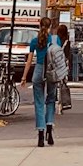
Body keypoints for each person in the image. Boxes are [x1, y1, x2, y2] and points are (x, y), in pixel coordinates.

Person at [22, 17, 58, 147]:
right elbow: (59, 58)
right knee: (51, 100)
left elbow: (29, 61)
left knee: (39, 102)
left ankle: (41, 135)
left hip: (38, 70)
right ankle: (50, 128)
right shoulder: (55, 40)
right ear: (50, 26)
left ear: (39, 25)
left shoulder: (34, 41)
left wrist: (24, 77)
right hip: (51, 71)